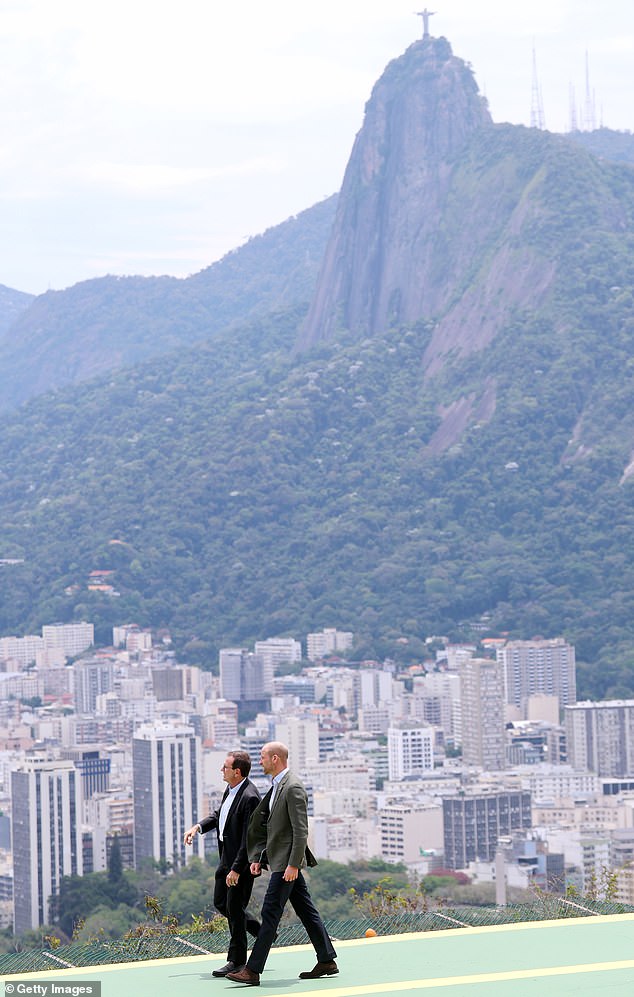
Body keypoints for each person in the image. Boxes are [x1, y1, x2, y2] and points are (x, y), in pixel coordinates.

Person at [226, 741, 337, 987]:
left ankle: (252, 970)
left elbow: (300, 831)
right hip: (279, 862)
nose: (261, 761)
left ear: (275, 759)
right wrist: (258, 858)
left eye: (264, 757)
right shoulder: (277, 787)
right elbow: (273, 830)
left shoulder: (293, 787)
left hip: (287, 865)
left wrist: (294, 865)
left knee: (270, 913)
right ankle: (327, 959)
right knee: (307, 911)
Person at [184, 750, 261, 977]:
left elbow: (249, 839)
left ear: (237, 772)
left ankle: (236, 961)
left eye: (225, 767)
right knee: (221, 904)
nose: (221, 770)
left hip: (241, 864)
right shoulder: (231, 789)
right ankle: (260, 930)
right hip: (225, 859)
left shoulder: (250, 797)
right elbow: (220, 816)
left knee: (235, 909)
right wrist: (197, 827)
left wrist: (237, 869)